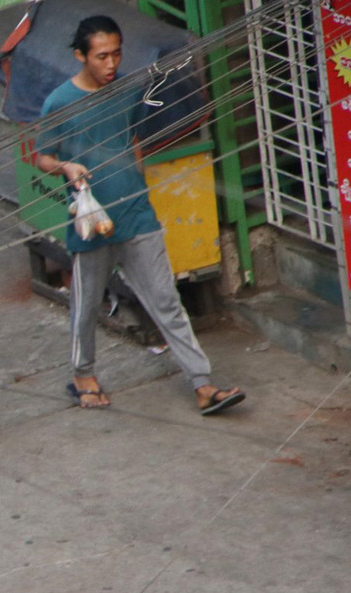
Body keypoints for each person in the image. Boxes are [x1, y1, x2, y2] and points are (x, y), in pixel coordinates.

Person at [34, 15, 245, 415]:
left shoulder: (128, 89)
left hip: (135, 213)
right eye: (101, 56)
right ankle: (82, 374)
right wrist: (65, 169)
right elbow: (44, 155)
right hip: (90, 219)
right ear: (81, 56)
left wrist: (139, 186)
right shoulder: (58, 102)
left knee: (166, 300)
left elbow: (132, 140)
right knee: (87, 304)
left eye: (116, 54)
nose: (111, 64)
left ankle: (202, 384)